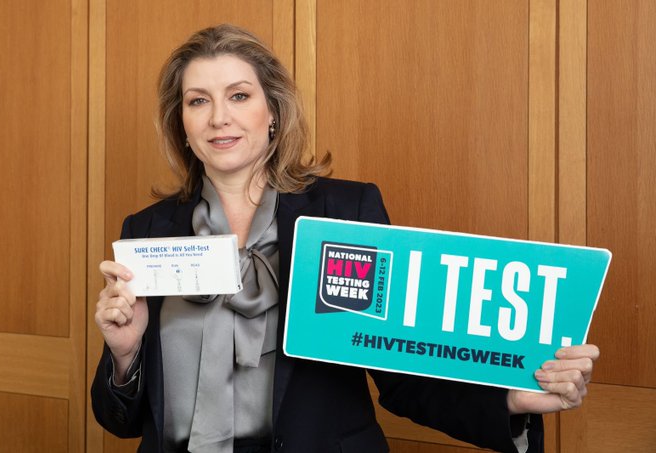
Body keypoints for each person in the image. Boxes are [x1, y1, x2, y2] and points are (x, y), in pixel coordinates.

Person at [92, 24, 600, 453]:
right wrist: (124, 354)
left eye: (239, 96)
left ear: (273, 113)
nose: (218, 117)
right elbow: (122, 421)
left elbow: (402, 371)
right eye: (197, 101)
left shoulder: (345, 213)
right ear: (181, 123)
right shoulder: (146, 231)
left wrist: (510, 401)